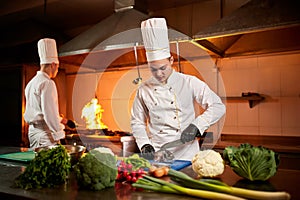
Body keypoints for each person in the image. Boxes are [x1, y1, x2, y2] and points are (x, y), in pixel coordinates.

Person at [130, 18, 226, 161]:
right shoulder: (144, 89)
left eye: (163, 68)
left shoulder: (189, 82)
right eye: (153, 69)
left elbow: (218, 106)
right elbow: (137, 121)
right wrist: (144, 144)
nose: (159, 74)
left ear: (171, 61)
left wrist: (197, 125)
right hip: (158, 155)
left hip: (187, 155)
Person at [24, 38, 70, 149]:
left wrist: (60, 119)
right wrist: (59, 134)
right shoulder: (47, 83)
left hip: (33, 133)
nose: (57, 70)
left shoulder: (31, 82)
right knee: (49, 165)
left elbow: (39, 110)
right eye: (58, 67)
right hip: (45, 135)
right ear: (53, 64)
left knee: (38, 163)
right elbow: (49, 114)